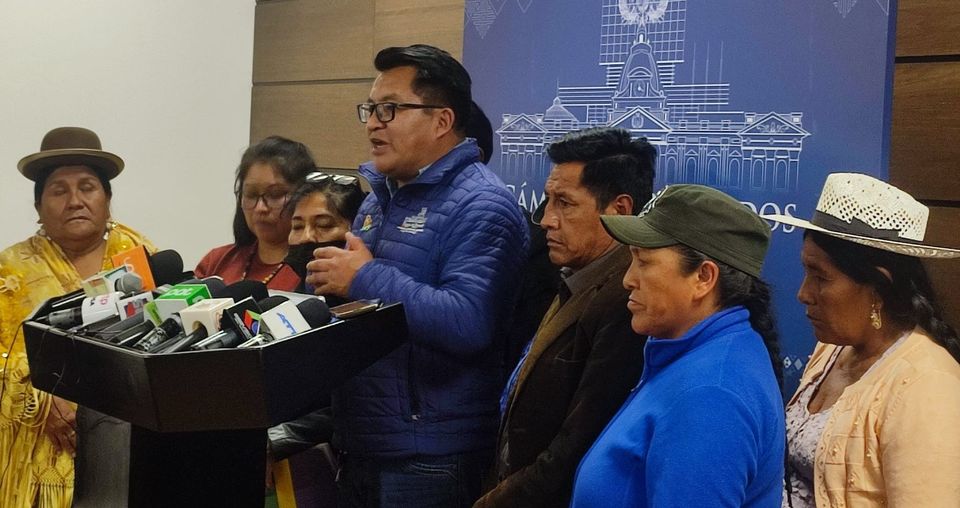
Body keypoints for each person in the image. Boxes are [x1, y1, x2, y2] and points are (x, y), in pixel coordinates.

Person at [305, 44, 528, 507]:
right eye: (370, 109)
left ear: (442, 120)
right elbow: (371, 305)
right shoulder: (380, 197)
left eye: (389, 109)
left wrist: (363, 278)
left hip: (429, 456)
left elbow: (469, 323)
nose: (373, 123)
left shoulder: (483, 204)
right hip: (363, 441)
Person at [571, 184, 785, 507]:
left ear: (703, 278)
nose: (628, 279)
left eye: (644, 262)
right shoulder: (699, 358)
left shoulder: (711, 396)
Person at [474, 127, 655, 507]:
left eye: (564, 203)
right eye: (548, 200)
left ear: (620, 211)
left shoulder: (627, 304)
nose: (546, 220)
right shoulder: (579, 276)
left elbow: (576, 446)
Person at [762, 173, 960, 508]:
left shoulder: (927, 385)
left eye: (821, 277)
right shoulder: (832, 349)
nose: (803, 294)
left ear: (878, 287)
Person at [0, 127, 155, 508]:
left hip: (127, 447)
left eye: (87, 187)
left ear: (107, 199)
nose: (75, 201)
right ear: (38, 207)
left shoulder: (141, 259)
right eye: (59, 191)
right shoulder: (9, 272)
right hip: (35, 453)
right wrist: (41, 395)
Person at [195, 136, 314, 290]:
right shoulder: (216, 261)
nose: (260, 208)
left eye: (275, 194)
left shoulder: (316, 269)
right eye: (251, 195)